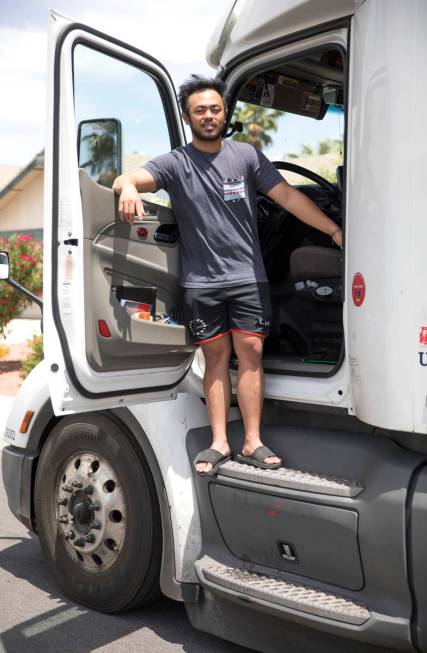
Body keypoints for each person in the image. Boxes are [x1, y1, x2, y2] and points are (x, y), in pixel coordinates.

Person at [112, 75, 342, 476]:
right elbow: (125, 178)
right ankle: (219, 442)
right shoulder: (176, 163)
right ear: (188, 117)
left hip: (248, 278)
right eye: (200, 110)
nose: (209, 116)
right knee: (215, 358)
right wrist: (129, 187)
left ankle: (252, 440)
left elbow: (287, 197)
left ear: (224, 114)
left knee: (251, 355)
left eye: (215, 109)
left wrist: (333, 229)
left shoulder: (247, 157)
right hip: (201, 283)